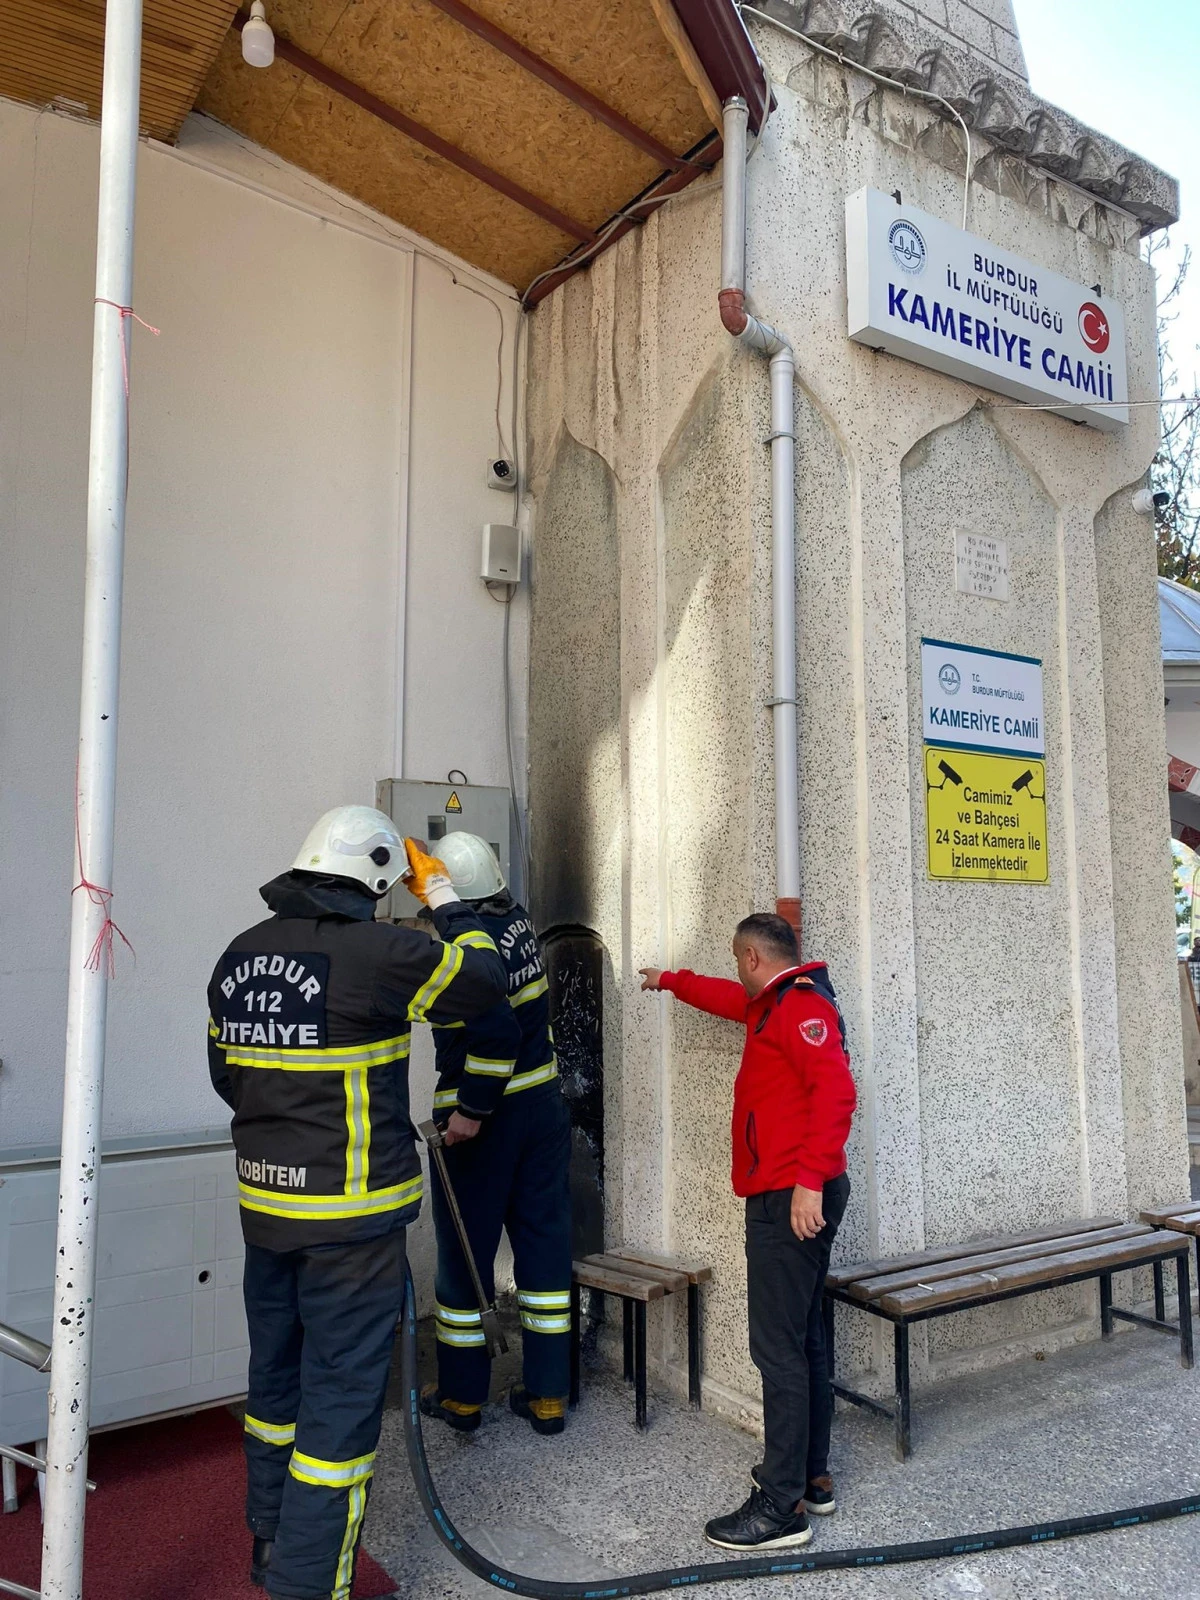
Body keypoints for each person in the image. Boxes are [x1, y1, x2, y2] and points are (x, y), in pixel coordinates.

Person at [208, 807, 510, 1600]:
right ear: (381, 878)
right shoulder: (383, 951)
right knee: (340, 1409)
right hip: (351, 1224)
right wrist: (442, 892)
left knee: (275, 1388)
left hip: (266, 1216)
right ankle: (310, 1587)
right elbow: (483, 982)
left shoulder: (239, 955)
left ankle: (269, 1545)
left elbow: (224, 1074)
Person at [640, 913, 856, 1553]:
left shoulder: (799, 1009)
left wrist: (809, 1182)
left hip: (791, 1199)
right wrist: (669, 980)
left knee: (777, 1350)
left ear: (754, 957)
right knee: (804, 1337)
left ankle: (781, 1506)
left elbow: (837, 1091)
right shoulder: (773, 1002)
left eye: (739, 961)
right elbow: (726, 996)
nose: (737, 974)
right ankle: (812, 1476)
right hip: (791, 1191)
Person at [416, 832, 573, 1437]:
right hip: (543, 1109)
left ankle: (460, 1398)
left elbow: (493, 1038)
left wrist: (472, 1110)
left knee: (464, 1260)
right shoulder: (517, 922)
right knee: (542, 1248)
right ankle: (548, 1395)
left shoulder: (468, 955)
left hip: (482, 1122)